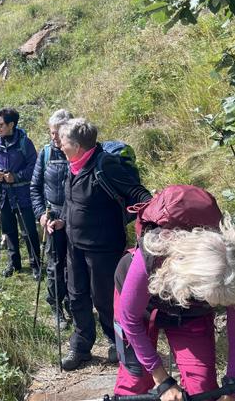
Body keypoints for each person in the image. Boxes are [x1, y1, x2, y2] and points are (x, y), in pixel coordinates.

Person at [114, 210, 235, 401]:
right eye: (213, 299)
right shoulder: (152, 253)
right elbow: (130, 320)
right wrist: (163, 380)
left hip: (190, 311)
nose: (216, 305)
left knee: (202, 389)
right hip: (140, 301)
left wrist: (231, 393)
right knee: (134, 380)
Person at [50, 118, 152, 370]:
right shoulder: (74, 165)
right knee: (76, 296)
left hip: (104, 248)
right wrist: (61, 220)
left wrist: (131, 222)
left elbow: (140, 195)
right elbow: (72, 202)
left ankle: (118, 342)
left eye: (63, 141)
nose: (59, 145)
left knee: (105, 299)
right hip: (75, 245)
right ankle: (81, 345)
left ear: (77, 145)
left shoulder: (105, 164)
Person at [30, 109, 73, 330]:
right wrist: (41, 214)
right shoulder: (46, 154)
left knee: (74, 265)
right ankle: (56, 305)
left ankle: (73, 304)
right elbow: (35, 188)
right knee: (55, 264)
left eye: (57, 132)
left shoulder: (78, 153)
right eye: (51, 132)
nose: (53, 137)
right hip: (52, 217)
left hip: (74, 218)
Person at [0, 108, 41, 280]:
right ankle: (14, 263)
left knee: (29, 230)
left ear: (11, 125)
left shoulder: (25, 143)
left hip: (22, 194)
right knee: (9, 230)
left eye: (1, 124)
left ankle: (35, 265)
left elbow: (34, 167)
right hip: (3, 195)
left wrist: (16, 176)